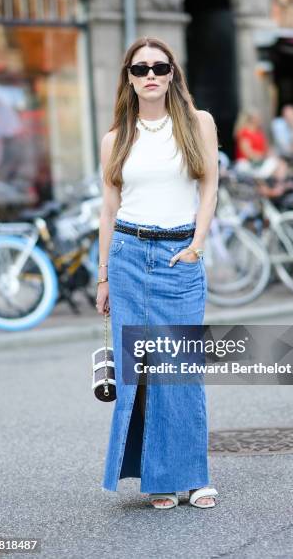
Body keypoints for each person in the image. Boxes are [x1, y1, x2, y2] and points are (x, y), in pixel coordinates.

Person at [96, 36, 219, 509]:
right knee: (141, 375)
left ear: (172, 75)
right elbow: (109, 209)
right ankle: (160, 479)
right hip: (128, 256)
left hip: (177, 259)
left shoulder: (197, 124)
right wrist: (103, 275)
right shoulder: (116, 138)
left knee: (181, 369)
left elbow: (208, 189)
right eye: (140, 68)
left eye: (160, 67)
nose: (151, 75)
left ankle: (195, 476)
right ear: (128, 77)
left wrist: (197, 246)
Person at [233, 108, 288, 196]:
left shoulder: (259, 132)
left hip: (259, 161)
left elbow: (266, 149)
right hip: (246, 163)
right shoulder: (244, 133)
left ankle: (275, 188)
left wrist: (270, 154)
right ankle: (275, 190)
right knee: (279, 165)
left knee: (279, 164)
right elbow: (248, 153)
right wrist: (263, 156)